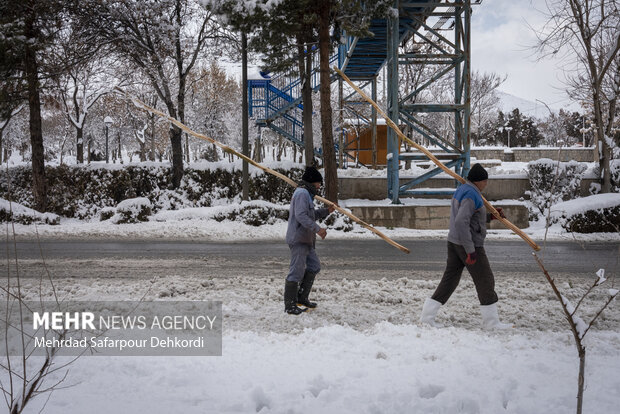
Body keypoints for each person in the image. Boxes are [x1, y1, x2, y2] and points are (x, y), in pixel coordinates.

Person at [420, 163, 512, 329]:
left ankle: (427, 317)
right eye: (485, 181)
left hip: (454, 242)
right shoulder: (472, 194)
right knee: (485, 279)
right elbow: (462, 222)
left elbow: (470, 217)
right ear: (478, 181)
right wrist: (470, 250)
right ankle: (492, 323)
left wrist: (491, 216)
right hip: (468, 245)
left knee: (450, 280)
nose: (486, 184)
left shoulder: (463, 189)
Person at [284, 166, 335, 315]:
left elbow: (310, 214)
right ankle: (290, 305)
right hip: (298, 239)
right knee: (296, 271)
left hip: (306, 240)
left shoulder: (307, 194)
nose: (319, 186)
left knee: (314, 266)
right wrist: (318, 229)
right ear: (312, 182)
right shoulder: (301, 193)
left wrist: (327, 211)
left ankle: (301, 297)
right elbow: (301, 216)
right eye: (319, 183)